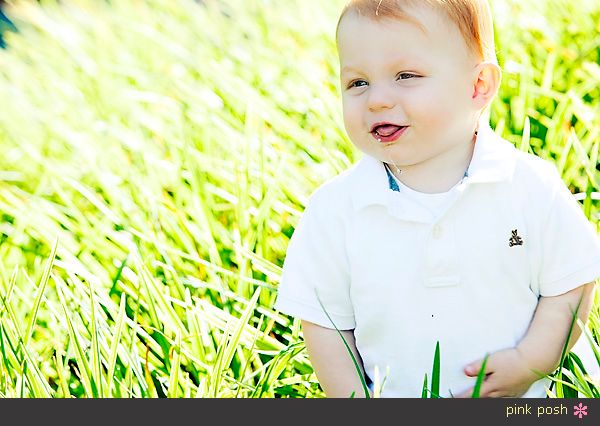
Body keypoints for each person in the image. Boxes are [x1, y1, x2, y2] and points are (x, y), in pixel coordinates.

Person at [273, 0, 600, 398]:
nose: (376, 100)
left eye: (405, 75)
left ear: (478, 86)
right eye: (358, 82)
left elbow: (572, 281)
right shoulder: (335, 211)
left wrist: (531, 360)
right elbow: (326, 324)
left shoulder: (528, 186)